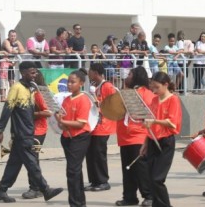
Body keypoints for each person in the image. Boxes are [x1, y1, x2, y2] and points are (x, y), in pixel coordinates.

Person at [0, 61, 63, 203]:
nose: (35, 75)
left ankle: (1, 191)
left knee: (14, 164)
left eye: (35, 72)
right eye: (32, 72)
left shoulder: (31, 88)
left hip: (28, 131)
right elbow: (7, 109)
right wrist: (0, 130)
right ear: (23, 73)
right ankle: (45, 189)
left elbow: (31, 112)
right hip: (21, 133)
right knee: (32, 163)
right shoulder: (16, 88)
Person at [140, 72, 182, 207]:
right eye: (153, 87)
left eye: (157, 87)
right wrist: (145, 143)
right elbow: (150, 124)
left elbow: (172, 123)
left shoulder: (173, 99)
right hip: (153, 140)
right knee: (150, 178)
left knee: (157, 178)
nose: (154, 90)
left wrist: (154, 121)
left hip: (166, 142)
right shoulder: (154, 100)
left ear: (166, 85)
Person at [115, 66, 153, 206]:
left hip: (139, 135)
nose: (127, 76)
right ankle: (129, 197)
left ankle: (149, 195)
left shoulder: (146, 93)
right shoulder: (126, 92)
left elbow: (150, 115)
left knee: (141, 169)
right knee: (128, 169)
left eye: (130, 74)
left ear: (137, 76)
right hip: (125, 137)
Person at [56, 69, 93, 207]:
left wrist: (63, 122)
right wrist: (60, 121)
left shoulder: (83, 100)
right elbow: (62, 119)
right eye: (68, 82)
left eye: (73, 82)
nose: (69, 85)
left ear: (81, 83)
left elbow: (80, 123)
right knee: (74, 170)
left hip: (79, 137)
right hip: (67, 137)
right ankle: (79, 202)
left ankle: (76, 203)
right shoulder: (66, 99)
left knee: (72, 171)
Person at [85, 63, 117, 192]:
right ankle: (94, 181)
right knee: (91, 154)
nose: (88, 74)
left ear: (96, 72)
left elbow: (114, 104)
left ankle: (103, 181)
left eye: (90, 71)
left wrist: (99, 104)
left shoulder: (107, 86)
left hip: (103, 126)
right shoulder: (95, 87)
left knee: (99, 154)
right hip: (93, 126)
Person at [22, 71, 52, 199]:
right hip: (31, 130)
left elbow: (48, 112)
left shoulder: (39, 94)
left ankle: (35, 188)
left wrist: (31, 114)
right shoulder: (33, 93)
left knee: (32, 160)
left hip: (38, 131)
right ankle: (39, 186)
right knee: (32, 160)